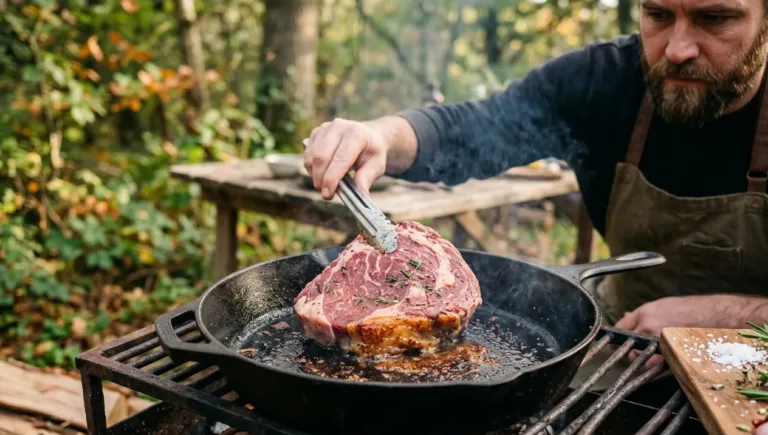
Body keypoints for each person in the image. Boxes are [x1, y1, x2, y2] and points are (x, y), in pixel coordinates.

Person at [303, 0, 768, 369]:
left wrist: (717, 318)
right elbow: (476, 127)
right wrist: (381, 135)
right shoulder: (602, 80)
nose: (677, 48)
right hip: (622, 349)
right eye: (659, 15)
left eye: (716, 18)